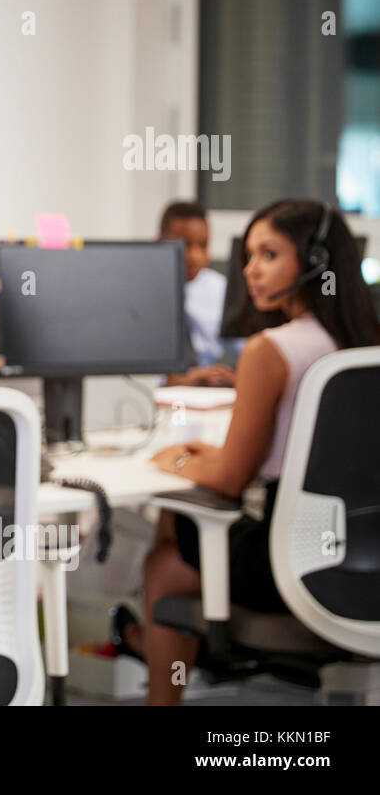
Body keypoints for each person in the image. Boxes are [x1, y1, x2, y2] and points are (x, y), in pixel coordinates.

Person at [112, 199, 380, 705]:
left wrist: (177, 457)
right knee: (179, 525)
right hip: (361, 555)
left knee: (167, 564)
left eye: (268, 254)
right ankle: (150, 645)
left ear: (316, 263)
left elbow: (232, 476)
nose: (250, 269)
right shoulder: (363, 343)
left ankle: (157, 675)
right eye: (249, 254)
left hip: (295, 563)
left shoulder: (270, 350)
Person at [157, 200, 236, 387]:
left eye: (203, 245)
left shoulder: (219, 289)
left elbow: (248, 346)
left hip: (206, 392)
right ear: (159, 240)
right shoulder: (138, 292)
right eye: (185, 245)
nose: (195, 256)